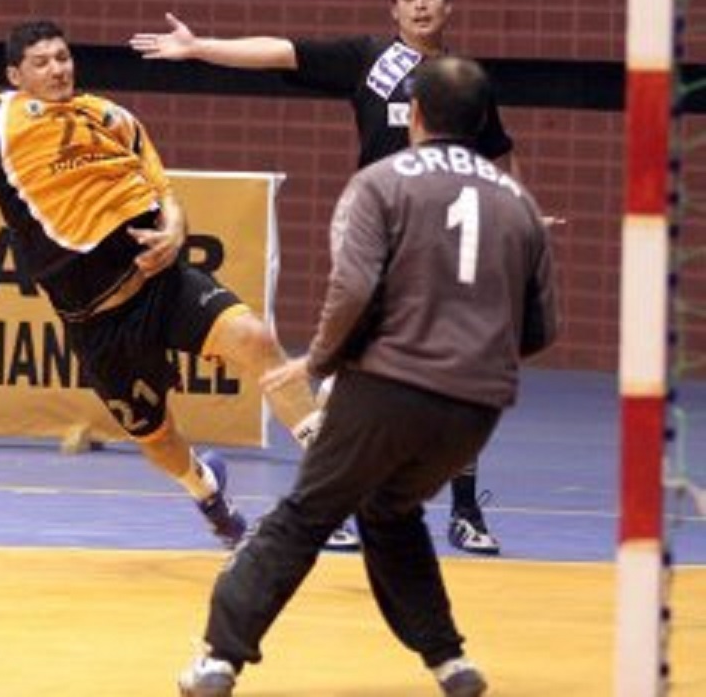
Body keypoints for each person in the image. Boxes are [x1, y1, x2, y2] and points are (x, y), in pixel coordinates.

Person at [0, 19, 324, 550]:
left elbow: (164, 190)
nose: (58, 69)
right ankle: (207, 492)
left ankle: (333, 479)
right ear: (15, 74)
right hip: (100, 322)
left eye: (63, 57)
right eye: (43, 62)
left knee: (256, 340)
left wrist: (175, 228)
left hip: (162, 284)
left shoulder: (111, 117)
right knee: (157, 438)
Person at [174, 56, 558, 697]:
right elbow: (541, 330)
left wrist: (318, 361)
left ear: (414, 114)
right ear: (486, 121)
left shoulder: (383, 182)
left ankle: (218, 660)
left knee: (304, 514)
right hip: (476, 409)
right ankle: (450, 664)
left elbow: (352, 287)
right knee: (390, 510)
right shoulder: (520, 204)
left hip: (388, 387)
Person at [130, 0, 513, 555]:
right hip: (378, 246)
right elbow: (282, 51)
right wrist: (200, 46)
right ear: (394, 9)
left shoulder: (465, 80)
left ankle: (466, 513)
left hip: (445, 252)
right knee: (343, 379)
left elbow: (494, 157)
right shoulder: (370, 62)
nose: (419, 5)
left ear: (447, 6)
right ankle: (331, 505)